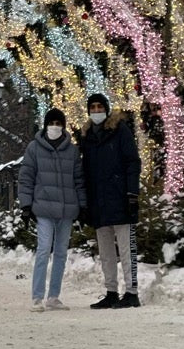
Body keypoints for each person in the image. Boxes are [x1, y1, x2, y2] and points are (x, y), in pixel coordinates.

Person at [17, 107, 85, 311]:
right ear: (45, 125)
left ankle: (53, 296)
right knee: (44, 249)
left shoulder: (72, 151)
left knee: (61, 253)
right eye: (51, 123)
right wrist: (26, 205)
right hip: (43, 207)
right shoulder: (34, 148)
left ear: (63, 126)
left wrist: (82, 206)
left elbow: (79, 180)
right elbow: (26, 177)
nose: (55, 127)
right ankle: (37, 297)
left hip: (66, 209)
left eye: (58, 123)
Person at [77, 92, 141, 309]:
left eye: (99, 107)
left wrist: (132, 193)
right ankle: (111, 291)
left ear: (106, 108)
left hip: (120, 197)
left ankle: (131, 292)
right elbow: (84, 171)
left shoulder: (120, 131)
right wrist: (84, 202)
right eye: (92, 107)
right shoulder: (86, 138)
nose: (96, 111)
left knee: (125, 248)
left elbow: (132, 162)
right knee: (105, 251)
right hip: (98, 200)